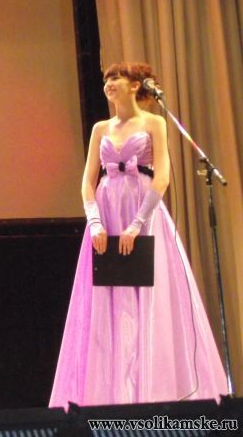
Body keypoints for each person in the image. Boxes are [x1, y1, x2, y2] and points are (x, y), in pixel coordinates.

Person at [49, 62, 228, 408]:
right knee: (110, 300)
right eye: (106, 79)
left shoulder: (154, 122)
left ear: (135, 85)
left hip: (143, 213)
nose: (108, 83)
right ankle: (112, 397)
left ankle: (151, 392)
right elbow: (87, 181)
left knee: (147, 296)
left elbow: (162, 177)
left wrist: (137, 224)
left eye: (116, 77)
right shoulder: (100, 128)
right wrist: (96, 222)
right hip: (107, 215)